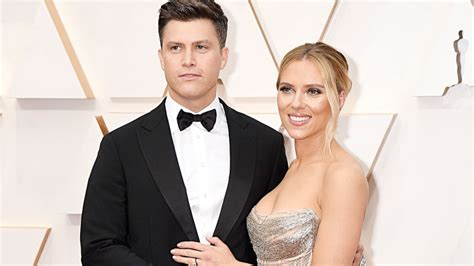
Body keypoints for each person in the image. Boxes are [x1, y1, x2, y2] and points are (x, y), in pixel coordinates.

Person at [80, 0, 364, 265]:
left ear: (224, 56)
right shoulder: (121, 146)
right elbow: (98, 247)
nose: (188, 60)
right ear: (161, 56)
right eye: (176, 48)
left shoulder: (265, 144)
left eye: (201, 47)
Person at [171, 42, 369, 265]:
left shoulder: (343, 175)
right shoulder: (291, 166)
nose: (296, 103)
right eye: (287, 89)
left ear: (340, 99)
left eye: (313, 91)